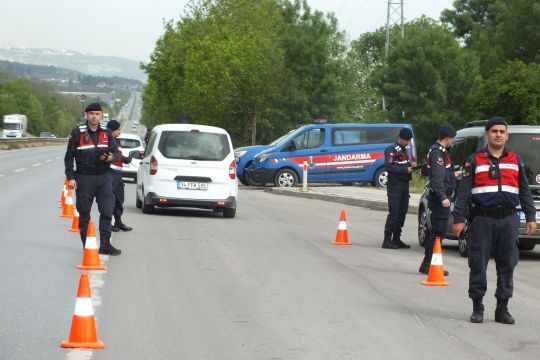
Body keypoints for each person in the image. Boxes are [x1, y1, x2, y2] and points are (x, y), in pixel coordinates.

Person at [452, 116, 537, 324]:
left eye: (501, 131)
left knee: (507, 264)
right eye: (494, 131)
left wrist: (531, 216)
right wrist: (459, 218)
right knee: (478, 264)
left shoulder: (515, 160)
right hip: (482, 220)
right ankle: (477, 306)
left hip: (508, 220)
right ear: (487, 134)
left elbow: (524, 190)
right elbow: (463, 193)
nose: (498, 134)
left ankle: (502, 308)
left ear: (507, 136)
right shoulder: (475, 160)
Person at [64, 102, 122, 256]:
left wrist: (111, 157)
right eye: (91, 113)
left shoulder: (107, 132)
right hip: (85, 178)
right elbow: (69, 158)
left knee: (107, 211)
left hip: (104, 177)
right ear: (86, 115)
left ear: (101, 115)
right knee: (84, 213)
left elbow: (116, 152)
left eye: (97, 113)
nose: (94, 116)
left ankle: (105, 245)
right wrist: (70, 178)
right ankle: (87, 245)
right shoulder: (77, 132)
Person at [419, 123, 460, 274]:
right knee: (438, 233)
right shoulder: (437, 153)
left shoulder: (440, 152)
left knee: (436, 232)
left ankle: (426, 264)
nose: (453, 141)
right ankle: (431, 265)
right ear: (447, 138)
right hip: (439, 199)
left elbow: (443, 174)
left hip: (441, 197)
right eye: (452, 139)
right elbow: (437, 178)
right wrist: (443, 196)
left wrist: (454, 175)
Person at [382, 127, 416, 249]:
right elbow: (389, 167)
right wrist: (405, 169)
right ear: (400, 138)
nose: (408, 143)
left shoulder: (403, 150)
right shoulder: (391, 150)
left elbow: (401, 164)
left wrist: (410, 165)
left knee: (402, 213)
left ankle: (396, 239)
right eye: (407, 140)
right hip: (395, 185)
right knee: (394, 213)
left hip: (404, 185)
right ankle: (387, 240)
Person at [106, 120, 133, 232]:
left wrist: (125, 159)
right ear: (112, 130)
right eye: (118, 129)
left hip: (118, 174)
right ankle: (108, 223)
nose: (120, 131)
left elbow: (118, 156)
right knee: (110, 200)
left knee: (119, 199)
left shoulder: (116, 141)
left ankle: (118, 222)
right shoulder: (107, 141)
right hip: (110, 173)